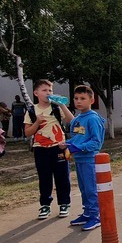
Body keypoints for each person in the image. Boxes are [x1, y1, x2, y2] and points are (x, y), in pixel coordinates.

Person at [24, 80, 75, 220]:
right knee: (44, 178)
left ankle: (64, 203)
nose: (48, 93)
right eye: (44, 90)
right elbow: (28, 132)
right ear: (36, 93)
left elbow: (72, 121)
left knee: (62, 177)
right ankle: (45, 205)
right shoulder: (31, 111)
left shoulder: (57, 108)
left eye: (50, 90)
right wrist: (37, 122)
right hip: (40, 149)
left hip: (58, 147)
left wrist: (62, 105)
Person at [67, 84, 106, 231]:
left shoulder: (92, 119)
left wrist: (80, 147)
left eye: (83, 98)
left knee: (91, 189)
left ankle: (95, 216)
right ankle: (87, 212)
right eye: (76, 98)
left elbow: (96, 142)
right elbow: (77, 137)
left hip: (90, 159)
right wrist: (66, 144)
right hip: (79, 160)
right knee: (83, 189)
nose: (78, 101)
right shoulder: (77, 119)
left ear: (91, 100)